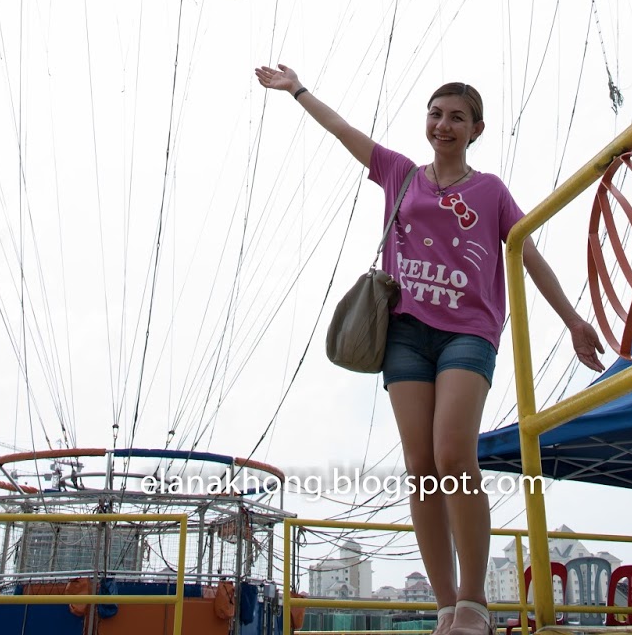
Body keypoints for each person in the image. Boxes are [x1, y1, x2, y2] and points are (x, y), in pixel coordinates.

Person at [254, 64, 604, 635]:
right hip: (405, 333)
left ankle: (474, 602)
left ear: (477, 130)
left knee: (452, 457)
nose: (443, 125)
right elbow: (345, 133)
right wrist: (298, 90)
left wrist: (572, 320)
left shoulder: (489, 190)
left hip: (469, 331)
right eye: (436, 114)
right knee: (421, 469)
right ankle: (446, 607)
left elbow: (528, 254)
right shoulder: (401, 174)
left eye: (457, 118)